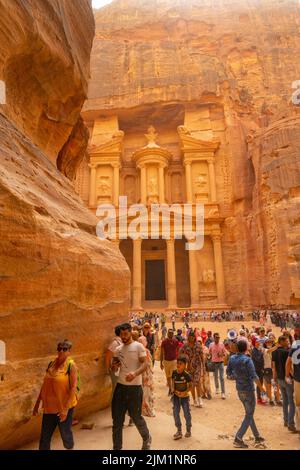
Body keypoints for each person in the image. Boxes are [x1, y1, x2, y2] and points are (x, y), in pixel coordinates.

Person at [111, 323, 152, 450]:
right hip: (120, 387)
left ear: (130, 332)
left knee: (136, 416)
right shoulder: (117, 350)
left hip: (134, 388)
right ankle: (117, 448)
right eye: (121, 334)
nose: (123, 336)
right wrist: (114, 367)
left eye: (125, 334)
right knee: (117, 421)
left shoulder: (138, 346)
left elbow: (145, 364)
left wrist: (135, 373)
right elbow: (114, 367)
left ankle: (146, 437)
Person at [33, 340, 78, 450]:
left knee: (65, 435)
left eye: (65, 349)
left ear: (69, 352)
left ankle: (70, 447)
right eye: (59, 349)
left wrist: (65, 410)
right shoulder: (51, 364)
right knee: (44, 437)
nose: (61, 351)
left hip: (64, 407)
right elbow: (45, 385)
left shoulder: (71, 366)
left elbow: (73, 388)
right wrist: (37, 403)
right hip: (49, 407)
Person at [227, 340, 265, 449]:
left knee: (249, 413)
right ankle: (238, 438)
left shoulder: (232, 358)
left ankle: (257, 435)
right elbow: (254, 376)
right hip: (248, 390)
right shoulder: (247, 360)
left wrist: (237, 376)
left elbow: (229, 374)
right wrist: (261, 388)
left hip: (239, 390)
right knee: (249, 414)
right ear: (246, 348)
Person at [272, 335, 296, 432]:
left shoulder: (274, 352)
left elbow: (273, 367)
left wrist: (275, 379)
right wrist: (294, 377)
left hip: (279, 379)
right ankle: (291, 423)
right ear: (281, 341)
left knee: (285, 401)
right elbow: (289, 367)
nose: (288, 342)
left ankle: (286, 421)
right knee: (292, 402)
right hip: (287, 379)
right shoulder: (287, 352)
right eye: (286, 341)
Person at [180, 331, 204, 407]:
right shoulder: (185, 346)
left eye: (193, 336)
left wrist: (203, 365)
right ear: (188, 337)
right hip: (189, 367)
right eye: (190, 336)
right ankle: (194, 400)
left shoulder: (198, 345)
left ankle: (199, 398)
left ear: (195, 337)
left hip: (197, 366)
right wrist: (184, 361)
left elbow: (201, 355)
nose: (192, 338)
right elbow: (180, 353)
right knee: (192, 383)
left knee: (198, 382)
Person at [171, 356, 192, 440]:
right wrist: (173, 390)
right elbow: (172, 382)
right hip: (176, 397)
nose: (178, 365)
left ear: (185, 365)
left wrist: (184, 392)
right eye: (177, 363)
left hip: (185, 398)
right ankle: (179, 430)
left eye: (180, 364)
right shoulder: (174, 373)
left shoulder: (187, 375)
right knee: (175, 413)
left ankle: (188, 430)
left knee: (186, 413)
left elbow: (191, 386)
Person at [285, 322, 300, 431]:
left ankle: (298, 427)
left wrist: (288, 375)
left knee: (298, 404)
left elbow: (288, 362)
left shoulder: (295, 344)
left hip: (298, 379)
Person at [138, 335, 155, 418]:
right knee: (147, 393)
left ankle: (143, 410)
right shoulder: (146, 351)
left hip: (141, 375)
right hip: (147, 375)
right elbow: (148, 364)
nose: (146, 342)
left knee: (143, 393)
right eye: (145, 341)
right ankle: (148, 410)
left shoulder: (137, 351)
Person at [209, 333, 227, 399]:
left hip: (221, 363)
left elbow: (225, 353)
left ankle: (223, 393)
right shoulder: (211, 344)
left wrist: (222, 354)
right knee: (215, 377)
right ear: (214, 338)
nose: (217, 339)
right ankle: (217, 388)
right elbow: (209, 352)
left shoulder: (222, 344)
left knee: (222, 378)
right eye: (216, 337)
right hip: (214, 363)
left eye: (218, 337)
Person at [160, 329, 179, 395]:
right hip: (166, 361)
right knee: (168, 376)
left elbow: (178, 350)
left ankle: (173, 389)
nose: (170, 334)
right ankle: (170, 388)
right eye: (169, 333)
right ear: (167, 334)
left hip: (174, 361)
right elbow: (162, 352)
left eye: (171, 333)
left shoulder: (176, 341)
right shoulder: (164, 341)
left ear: (173, 334)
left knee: (173, 376)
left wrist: (178, 360)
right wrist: (161, 363)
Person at [105, 325, 122, 396]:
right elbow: (108, 357)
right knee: (115, 389)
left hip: (119, 369)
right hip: (115, 370)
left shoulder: (120, 342)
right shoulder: (114, 343)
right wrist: (109, 369)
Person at [251, 338, 265, 405]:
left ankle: (260, 398)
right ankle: (259, 398)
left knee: (260, 383)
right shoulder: (254, 351)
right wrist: (262, 354)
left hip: (260, 369)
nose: (258, 343)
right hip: (257, 369)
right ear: (254, 343)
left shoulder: (257, 350)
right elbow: (258, 359)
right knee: (259, 384)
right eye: (256, 342)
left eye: (258, 342)